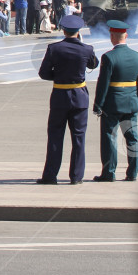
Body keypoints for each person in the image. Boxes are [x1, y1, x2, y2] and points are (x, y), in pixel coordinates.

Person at [36, 15, 99, 184]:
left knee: (55, 136)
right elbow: (94, 65)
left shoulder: (54, 49)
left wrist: (59, 76)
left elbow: (43, 73)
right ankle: (76, 177)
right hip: (79, 97)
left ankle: (50, 176)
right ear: (78, 32)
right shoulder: (87, 49)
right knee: (79, 138)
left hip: (60, 96)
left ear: (63, 31)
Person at [92, 20, 138, 182]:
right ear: (126, 36)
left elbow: (103, 84)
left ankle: (109, 172)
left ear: (112, 37)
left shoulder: (108, 57)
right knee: (132, 138)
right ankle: (133, 173)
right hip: (131, 103)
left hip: (112, 105)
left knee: (109, 137)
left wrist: (98, 105)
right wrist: (135, 98)